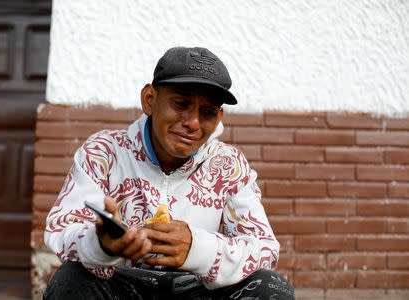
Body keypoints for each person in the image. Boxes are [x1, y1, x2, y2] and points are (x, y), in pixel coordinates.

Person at [43, 46, 295, 299]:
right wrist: (100, 245)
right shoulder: (104, 152)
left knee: (273, 289)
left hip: (198, 288)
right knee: (71, 280)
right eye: (181, 103)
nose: (193, 123)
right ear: (149, 100)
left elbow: (264, 249)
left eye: (207, 112)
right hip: (120, 284)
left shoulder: (229, 165)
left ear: (219, 116)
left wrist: (198, 250)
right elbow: (61, 229)